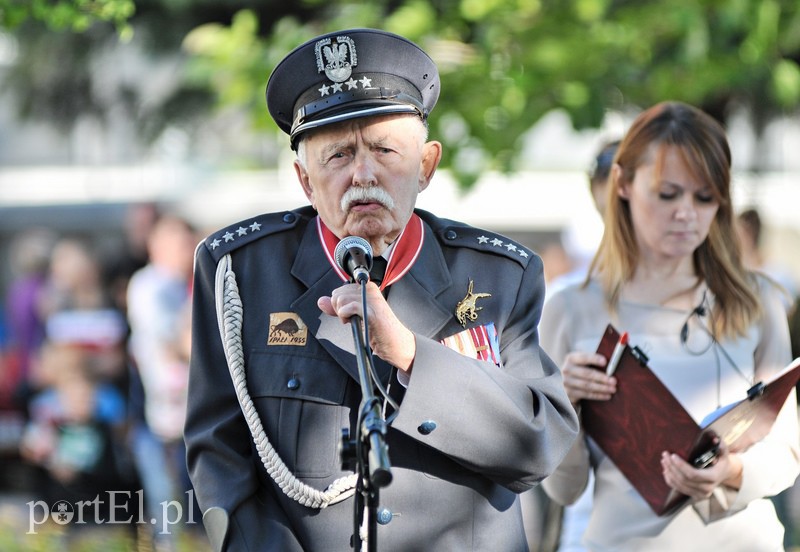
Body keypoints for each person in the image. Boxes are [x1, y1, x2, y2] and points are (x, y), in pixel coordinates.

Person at [184, 28, 579, 551]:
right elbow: (219, 454)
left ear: (426, 165)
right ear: (305, 180)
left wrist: (413, 357)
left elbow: (537, 443)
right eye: (339, 156)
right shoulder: (240, 272)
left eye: (385, 150)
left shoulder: (500, 276)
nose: (363, 174)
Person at [540, 101, 800, 550]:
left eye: (705, 197)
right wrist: (566, 407)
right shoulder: (569, 308)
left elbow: (786, 454)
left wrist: (732, 472)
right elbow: (563, 489)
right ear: (623, 184)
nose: (687, 213)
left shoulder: (756, 299)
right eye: (668, 193)